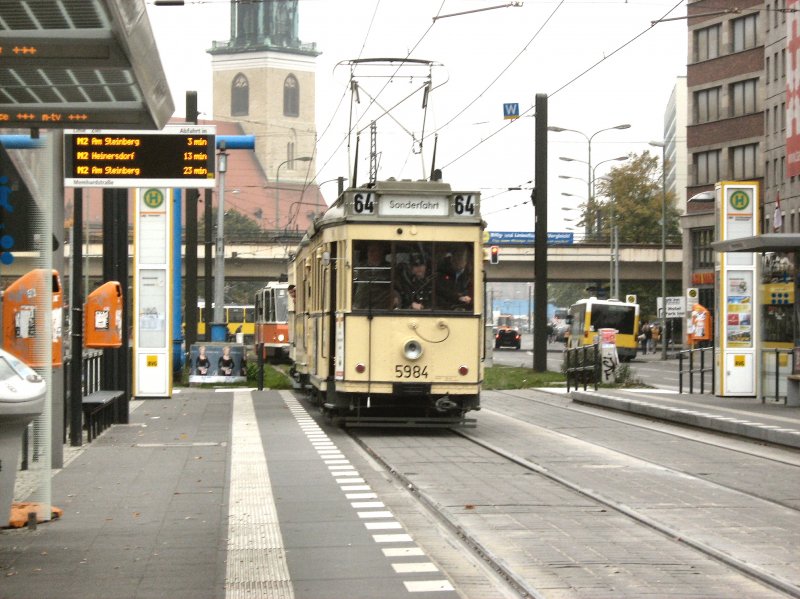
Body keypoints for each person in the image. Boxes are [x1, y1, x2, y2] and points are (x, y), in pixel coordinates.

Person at [353, 241, 399, 309]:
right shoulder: (359, 267)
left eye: (374, 250)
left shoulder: (390, 269)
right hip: (361, 308)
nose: (370, 253)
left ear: (381, 252)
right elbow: (353, 285)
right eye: (369, 251)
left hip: (383, 308)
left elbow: (397, 287)